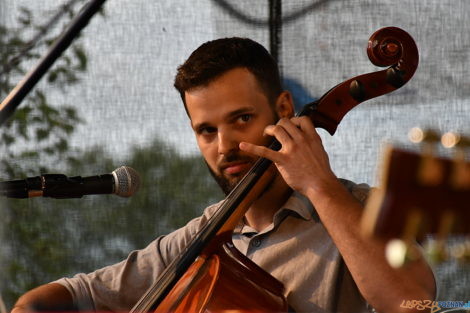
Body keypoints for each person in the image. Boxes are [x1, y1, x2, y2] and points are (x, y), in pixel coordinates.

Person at [12, 37, 435, 313]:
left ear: (284, 109)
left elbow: (412, 301)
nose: (225, 145)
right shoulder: (198, 240)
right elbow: (58, 300)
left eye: (242, 119)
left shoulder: (363, 207)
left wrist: (318, 185)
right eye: (206, 130)